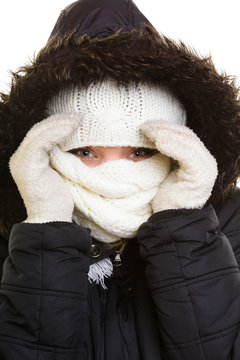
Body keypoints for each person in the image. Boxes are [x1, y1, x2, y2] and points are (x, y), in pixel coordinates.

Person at [0, 0, 240, 359]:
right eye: (85, 152)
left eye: (139, 153)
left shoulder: (228, 223)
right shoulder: (12, 233)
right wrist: (46, 229)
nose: (113, 175)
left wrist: (183, 226)